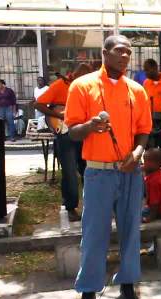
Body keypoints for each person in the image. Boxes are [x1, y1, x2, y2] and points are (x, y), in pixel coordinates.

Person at [65, 35, 152, 299]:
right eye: (119, 51)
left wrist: (138, 153)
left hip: (130, 171)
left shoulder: (137, 90)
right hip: (98, 171)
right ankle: (88, 294)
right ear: (104, 53)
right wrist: (90, 125)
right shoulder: (82, 85)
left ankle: (127, 287)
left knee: (131, 230)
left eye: (129, 52)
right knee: (94, 233)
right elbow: (72, 131)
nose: (125, 56)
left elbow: (144, 130)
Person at [35, 64, 93, 222]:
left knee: (88, 171)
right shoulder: (60, 85)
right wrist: (58, 115)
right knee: (69, 173)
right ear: (75, 75)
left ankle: (92, 205)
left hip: (83, 132)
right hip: (65, 134)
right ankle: (70, 207)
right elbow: (38, 104)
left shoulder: (89, 87)